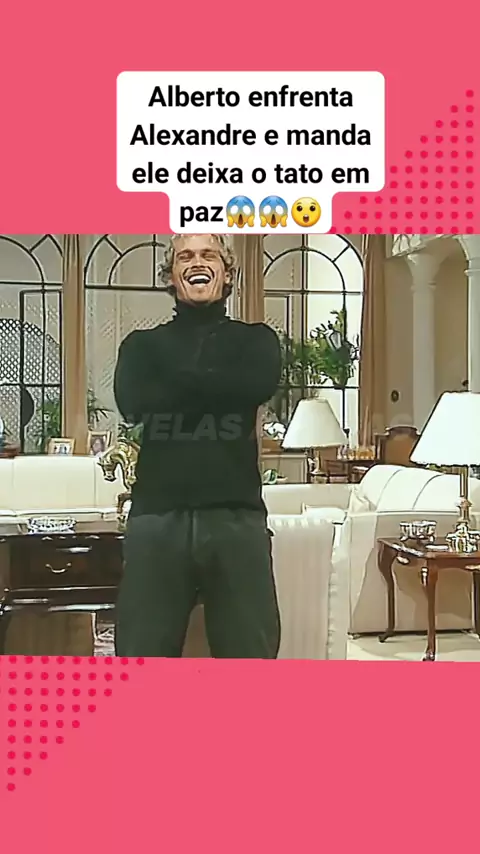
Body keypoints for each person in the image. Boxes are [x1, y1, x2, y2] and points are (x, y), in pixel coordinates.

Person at [113, 234, 282, 658]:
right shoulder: (140, 345)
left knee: (251, 657)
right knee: (140, 654)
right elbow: (132, 402)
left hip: (236, 517)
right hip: (157, 518)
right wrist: (219, 383)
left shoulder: (257, 341)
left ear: (227, 273)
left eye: (209, 255)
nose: (197, 262)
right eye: (185, 256)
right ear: (171, 275)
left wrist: (170, 382)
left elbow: (258, 383)